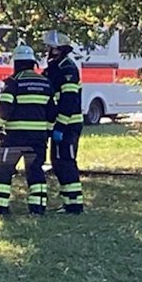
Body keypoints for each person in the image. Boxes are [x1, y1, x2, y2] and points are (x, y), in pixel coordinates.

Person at [0, 44, 56, 215]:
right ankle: (38, 207)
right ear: (32, 63)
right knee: (35, 170)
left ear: (16, 64)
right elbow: (51, 113)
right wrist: (46, 133)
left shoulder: (12, 83)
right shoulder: (46, 83)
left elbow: (4, 110)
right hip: (38, 138)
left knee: (3, 169)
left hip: (14, 138)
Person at [44, 35, 86, 214]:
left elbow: (69, 101)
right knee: (59, 162)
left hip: (68, 125)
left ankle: (75, 204)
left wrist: (60, 126)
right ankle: (69, 202)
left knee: (66, 162)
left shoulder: (67, 68)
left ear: (58, 49)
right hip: (61, 124)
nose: (48, 52)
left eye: (50, 48)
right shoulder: (56, 68)